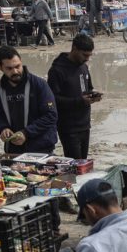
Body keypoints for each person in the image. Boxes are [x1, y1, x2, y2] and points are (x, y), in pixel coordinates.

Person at [48, 31, 103, 162]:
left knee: (83, 162)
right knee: (75, 164)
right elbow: (52, 99)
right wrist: (79, 101)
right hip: (68, 126)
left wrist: (93, 96)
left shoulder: (84, 67)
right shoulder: (57, 70)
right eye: (84, 55)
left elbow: (88, 89)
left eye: (89, 55)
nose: (87, 58)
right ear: (74, 49)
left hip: (85, 123)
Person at [0, 48, 59, 154]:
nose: (15, 71)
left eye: (17, 66)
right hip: (14, 149)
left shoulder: (38, 84)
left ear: (21, 62)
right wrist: (3, 128)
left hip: (40, 149)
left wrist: (26, 133)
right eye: (9, 68)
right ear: (1, 68)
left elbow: (51, 115)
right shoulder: (0, 89)